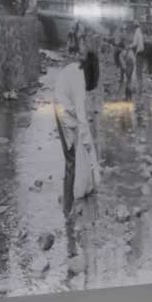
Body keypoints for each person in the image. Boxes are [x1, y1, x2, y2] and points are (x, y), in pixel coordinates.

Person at [51, 50, 100, 217]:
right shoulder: (80, 85)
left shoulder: (77, 68)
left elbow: (80, 118)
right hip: (62, 110)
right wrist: (94, 163)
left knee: (70, 159)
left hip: (63, 104)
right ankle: (68, 210)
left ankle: (68, 202)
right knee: (71, 162)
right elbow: (83, 124)